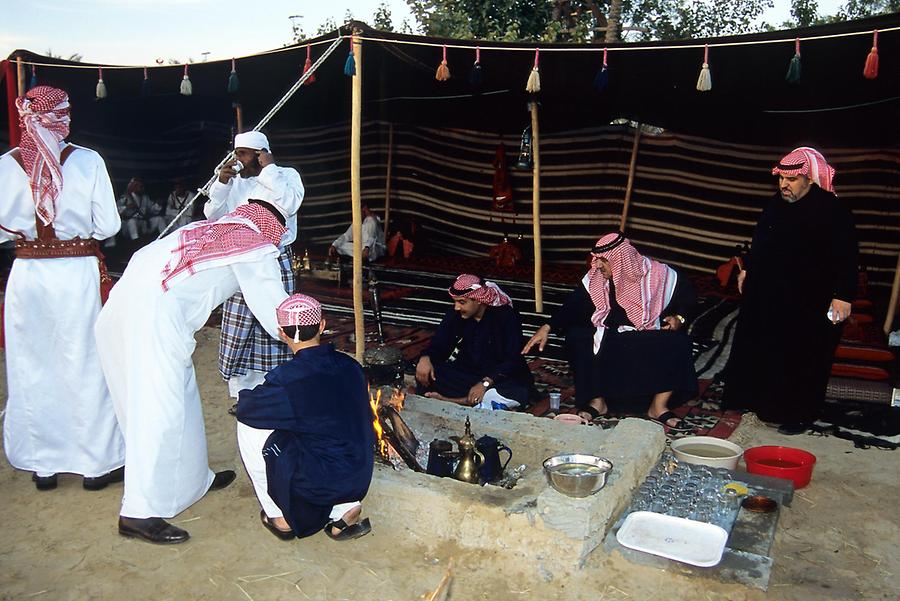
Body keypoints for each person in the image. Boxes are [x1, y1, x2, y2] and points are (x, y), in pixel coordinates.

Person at [95, 188, 300, 544]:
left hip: (117, 315)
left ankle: (192, 481)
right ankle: (137, 513)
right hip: (154, 325)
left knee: (177, 402)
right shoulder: (253, 246)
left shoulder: (197, 231)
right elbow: (275, 312)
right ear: (273, 227)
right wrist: (310, 343)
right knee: (158, 413)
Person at [0, 85, 124, 492]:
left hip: (27, 276)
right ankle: (94, 464)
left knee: (33, 365)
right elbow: (108, 227)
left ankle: (44, 466)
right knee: (85, 363)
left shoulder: (5, 165)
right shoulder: (87, 161)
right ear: (59, 116)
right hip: (76, 276)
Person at [723, 147, 858, 435]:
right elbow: (760, 242)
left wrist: (843, 295)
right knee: (765, 347)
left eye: (792, 179)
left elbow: (848, 257)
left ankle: (799, 414)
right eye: (781, 178)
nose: (784, 184)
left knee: (804, 356)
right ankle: (759, 402)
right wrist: (747, 270)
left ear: (809, 179)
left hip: (811, 300)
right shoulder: (775, 204)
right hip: (770, 293)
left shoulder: (833, 210)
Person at [236, 294, 374, 541]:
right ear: (322, 325)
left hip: (322, 483)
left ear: (282, 332)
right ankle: (344, 508)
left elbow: (247, 408)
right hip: (359, 477)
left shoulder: (287, 380)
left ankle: (280, 517)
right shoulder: (351, 366)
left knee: (248, 426)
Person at [523, 233, 697, 428]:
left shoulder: (658, 274)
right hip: (610, 334)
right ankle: (598, 403)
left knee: (678, 342)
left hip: (646, 333)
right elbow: (572, 305)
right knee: (577, 337)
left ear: (621, 260)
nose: (597, 265)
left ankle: (658, 406)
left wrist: (679, 318)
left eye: (603, 260)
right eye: (596, 259)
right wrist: (547, 327)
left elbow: (688, 299)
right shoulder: (595, 278)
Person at [204, 131, 305, 399]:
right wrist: (222, 184)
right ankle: (241, 394)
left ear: (261, 154)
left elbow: (290, 203)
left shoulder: (286, 175)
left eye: (244, 153)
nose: (237, 159)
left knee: (272, 322)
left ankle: (275, 387)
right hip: (241, 261)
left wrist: (269, 169)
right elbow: (213, 216)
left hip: (274, 258)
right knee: (241, 326)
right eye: (236, 153)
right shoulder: (235, 182)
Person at [416, 274, 534, 409]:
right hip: (470, 373)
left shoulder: (505, 316)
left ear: (478, 300)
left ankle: (455, 400)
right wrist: (426, 358)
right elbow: (440, 344)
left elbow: (513, 358)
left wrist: (485, 383)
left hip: (500, 377)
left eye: (462, 302)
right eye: (455, 302)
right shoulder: (456, 314)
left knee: (517, 391)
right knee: (429, 373)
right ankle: (470, 401)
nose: (456, 307)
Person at [117, 176, 150, 241]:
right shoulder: (125, 197)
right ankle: (135, 242)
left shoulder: (145, 198)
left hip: (141, 222)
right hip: (128, 227)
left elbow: (152, 209)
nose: (140, 188)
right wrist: (126, 207)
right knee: (132, 221)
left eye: (141, 186)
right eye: (138, 186)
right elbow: (116, 210)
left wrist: (158, 205)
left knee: (158, 219)